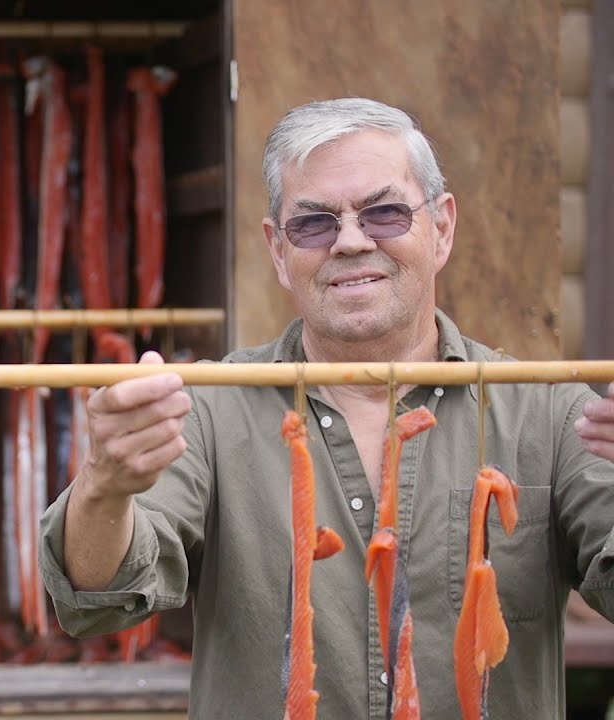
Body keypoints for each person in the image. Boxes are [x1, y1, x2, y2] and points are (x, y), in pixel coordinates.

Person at [39, 97, 614, 719]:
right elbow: (97, 599)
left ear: (441, 227)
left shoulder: (552, 412)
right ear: (279, 250)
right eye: (313, 223)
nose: (349, 241)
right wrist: (104, 484)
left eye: (386, 213)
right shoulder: (208, 408)